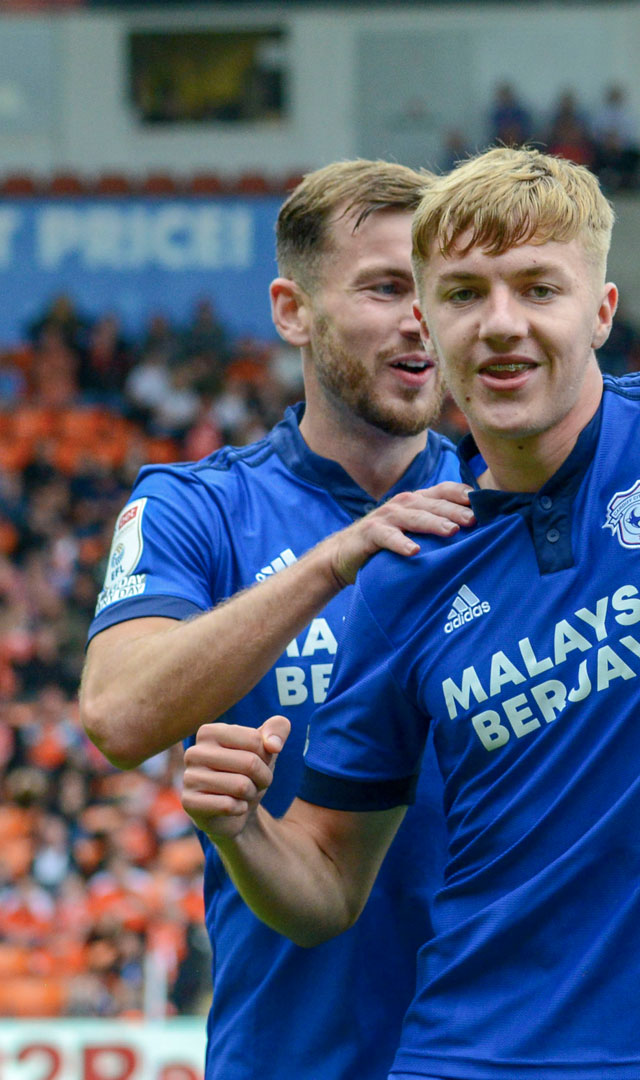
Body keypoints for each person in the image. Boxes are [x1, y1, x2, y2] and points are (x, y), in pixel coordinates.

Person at [175, 147, 640, 1078]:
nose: (501, 326)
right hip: (475, 1056)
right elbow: (328, 882)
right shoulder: (406, 574)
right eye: (463, 295)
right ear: (428, 316)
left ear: (604, 310)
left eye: (539, 289)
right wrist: (244, 828)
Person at [76, 160, 470, 1079]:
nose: (422, 318)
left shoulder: (509, 502)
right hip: (291, 1053)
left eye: (438, 292)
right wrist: (338, 559)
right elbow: (119, 716)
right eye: (384, 288)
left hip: (497, 1047)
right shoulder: (194, 508)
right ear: (292, 311)